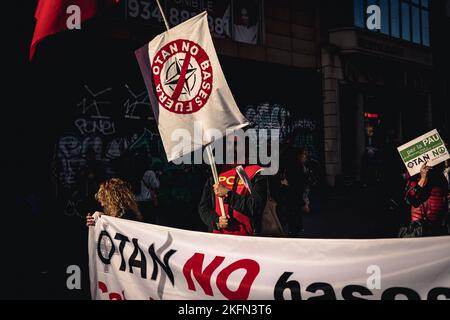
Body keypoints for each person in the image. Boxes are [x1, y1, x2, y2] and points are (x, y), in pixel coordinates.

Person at [403, 162, 449, 236]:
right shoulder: (415, 177)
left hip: (438, 225)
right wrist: (423, 178)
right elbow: (409, 199)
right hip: (419, 226)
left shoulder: (440, 177)